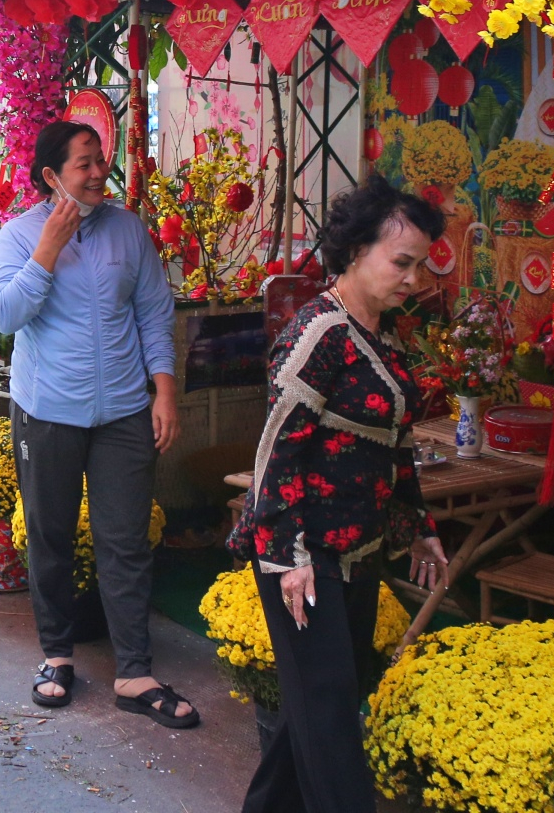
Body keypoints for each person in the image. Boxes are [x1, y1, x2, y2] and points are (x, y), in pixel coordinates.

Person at [227, 175, 454, 813]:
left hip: (360, 554)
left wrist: (421, 526)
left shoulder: (379, 334)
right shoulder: (319, 334)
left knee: (315, 710)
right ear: (356, 252)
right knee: (330, 725)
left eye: (419, 264)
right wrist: (288, 557)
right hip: (305, 560)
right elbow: (276, 453)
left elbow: (392, 444)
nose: (412, 278)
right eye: (400, 261)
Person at [0, 120, 196, 729]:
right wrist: (48, 248)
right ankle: (56, 656)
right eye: (84, 163)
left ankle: (134, 671)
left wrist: (164, 393)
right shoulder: (20, 236)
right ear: (51, 176)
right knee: (49, 535)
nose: (99, 170)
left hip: (126, 412)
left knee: (125, 540)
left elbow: (155, 313)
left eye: (101, 159)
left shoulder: (128, 230)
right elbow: (4, 315)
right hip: (47, 410)